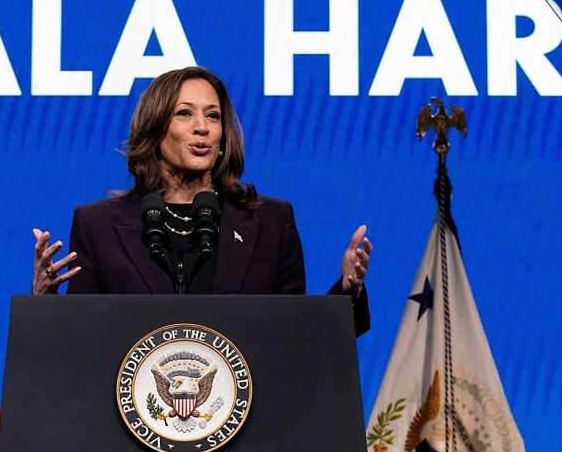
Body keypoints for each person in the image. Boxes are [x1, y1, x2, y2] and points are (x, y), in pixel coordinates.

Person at [31, 66, 372, 334]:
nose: (202, 127)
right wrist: (44, 303)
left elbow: (296, 339)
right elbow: (80, 342)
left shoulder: (271, 221)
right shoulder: (99, 225)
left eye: (213, 115)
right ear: (154, 128)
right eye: (184, 113)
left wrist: (347, 290)